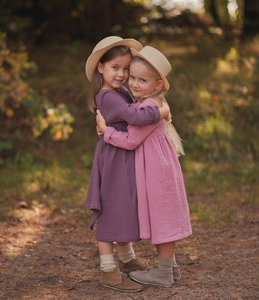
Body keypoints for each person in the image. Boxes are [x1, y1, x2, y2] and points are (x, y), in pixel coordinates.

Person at [96, 45, 192, 288]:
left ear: (158, 84)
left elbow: (130, 140)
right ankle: (170, 269)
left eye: (142, 80)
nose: (134, 84)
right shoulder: (153, 103)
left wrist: (106, 132)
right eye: (133, 78)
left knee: (163, 218)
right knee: (165, 216)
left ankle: (163, 273)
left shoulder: (147, 108)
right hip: (160, 167)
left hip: (156, 171)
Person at [85, 36, 171, 292]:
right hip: (113, 158)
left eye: (126, 69)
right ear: (100, 67)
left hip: (123, 154)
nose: (122, 74)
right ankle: (108, 270)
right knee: (112, 209)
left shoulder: (120, 91)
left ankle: (126, 259)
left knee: (124, 205)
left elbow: (137, 107)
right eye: (115, 68)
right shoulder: (108, 95)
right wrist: (162, 111)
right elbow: (135, 115)